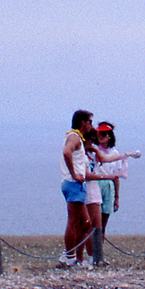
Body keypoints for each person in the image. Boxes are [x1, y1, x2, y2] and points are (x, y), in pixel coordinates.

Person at [60, 111, 98, 268]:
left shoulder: (78, 139)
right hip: (73, 184)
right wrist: (74, 173)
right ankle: (69, 257)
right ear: (83, 122)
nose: (91, 125)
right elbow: (66, 152)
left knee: (85, 224)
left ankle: (70, 255)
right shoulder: (74, 137)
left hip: (77, 185)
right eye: (90, 122)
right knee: (74, 221)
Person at [89, 123, 138, 236]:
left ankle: (99, 248)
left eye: (104, 134)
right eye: (99, 134)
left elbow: (116, 176)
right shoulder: (93, 150)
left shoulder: (114, 153)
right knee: (94, 222)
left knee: (103, 223)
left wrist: (116, 197)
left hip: (109, 185)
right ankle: (92, 249)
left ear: (109, 136)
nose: (101, 136)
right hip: (96, 183)